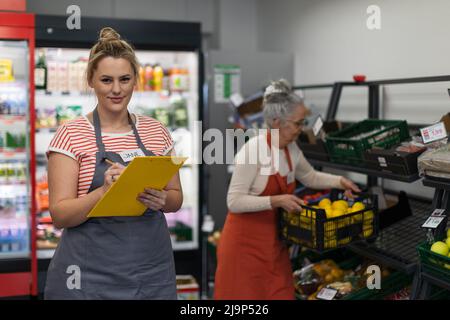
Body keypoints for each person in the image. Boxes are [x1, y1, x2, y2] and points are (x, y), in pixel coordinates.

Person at [44, 27, 183, 300]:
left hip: (151, 273)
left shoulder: (157, 132)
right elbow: (60, 215)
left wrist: (161, 198)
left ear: (135, 81)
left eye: (125, 79)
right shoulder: (71, 134)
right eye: (106, 80)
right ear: (91, 81)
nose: (117, 89)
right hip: (88, 276)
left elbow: (176, 199)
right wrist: (103, 193)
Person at [214, 79, 361, 300]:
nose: (301, 129)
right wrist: (276, 201)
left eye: (303, 123)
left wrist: (340, 181)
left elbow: (310, 176)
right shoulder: (252, 150)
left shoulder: (291, 148)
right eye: (297, 123)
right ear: (276, 122)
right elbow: (233, 201)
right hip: (243, 250)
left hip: (274, 246)